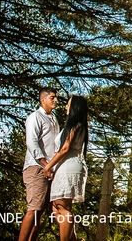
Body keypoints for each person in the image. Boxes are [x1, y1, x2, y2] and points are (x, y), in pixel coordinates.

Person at [42, 95, 89, 241]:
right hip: (65, 166)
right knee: (56, 208)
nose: (65, 107)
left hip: (69, 165)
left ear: (74, 107)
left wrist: (48, 166)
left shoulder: (77, 125)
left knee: (62, 207)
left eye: (68, 104)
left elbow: (65, 148)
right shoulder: (74, 125)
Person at [18, 87, 59, 241]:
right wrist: (45, 164)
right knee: (34, 209)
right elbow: (31, 142)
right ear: (43, 100)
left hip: (49, 169)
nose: (55, 100)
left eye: (56, 98)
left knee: (40, 211)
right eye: (52, 97)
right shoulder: (35, 117)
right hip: (36, 167)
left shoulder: (54, 119)